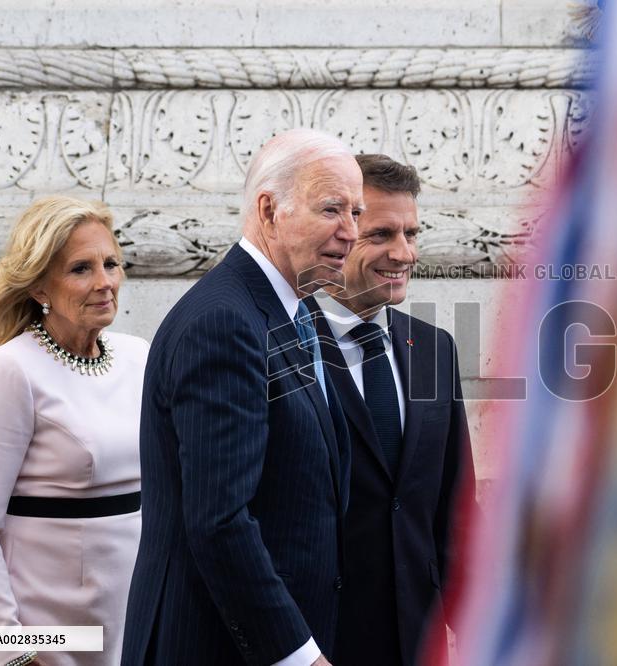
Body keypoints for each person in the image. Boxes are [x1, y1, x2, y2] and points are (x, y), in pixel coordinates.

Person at [122, 128, 360, 666]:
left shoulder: (291, 313)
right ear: (269, 209)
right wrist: (298, 655)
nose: (351, 232)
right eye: (332, 210)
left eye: (356, 213)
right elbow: (220, 520)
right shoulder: (224, 323)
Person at [0, 196, 149, 666]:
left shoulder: (139, 356)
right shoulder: (11, 369)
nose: (105, 283)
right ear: (41, 286)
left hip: (134, 604)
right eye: (81, 269)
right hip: (50, 627)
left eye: (112, 263)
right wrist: (11, 651)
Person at [306, 154, 476, 666]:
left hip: (417, 641)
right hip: (315, 643)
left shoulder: (435, 348)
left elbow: (454, 505)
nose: (403, 253)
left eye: (411, 234)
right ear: (336, 237)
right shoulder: (276, 345)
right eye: (381, 235)